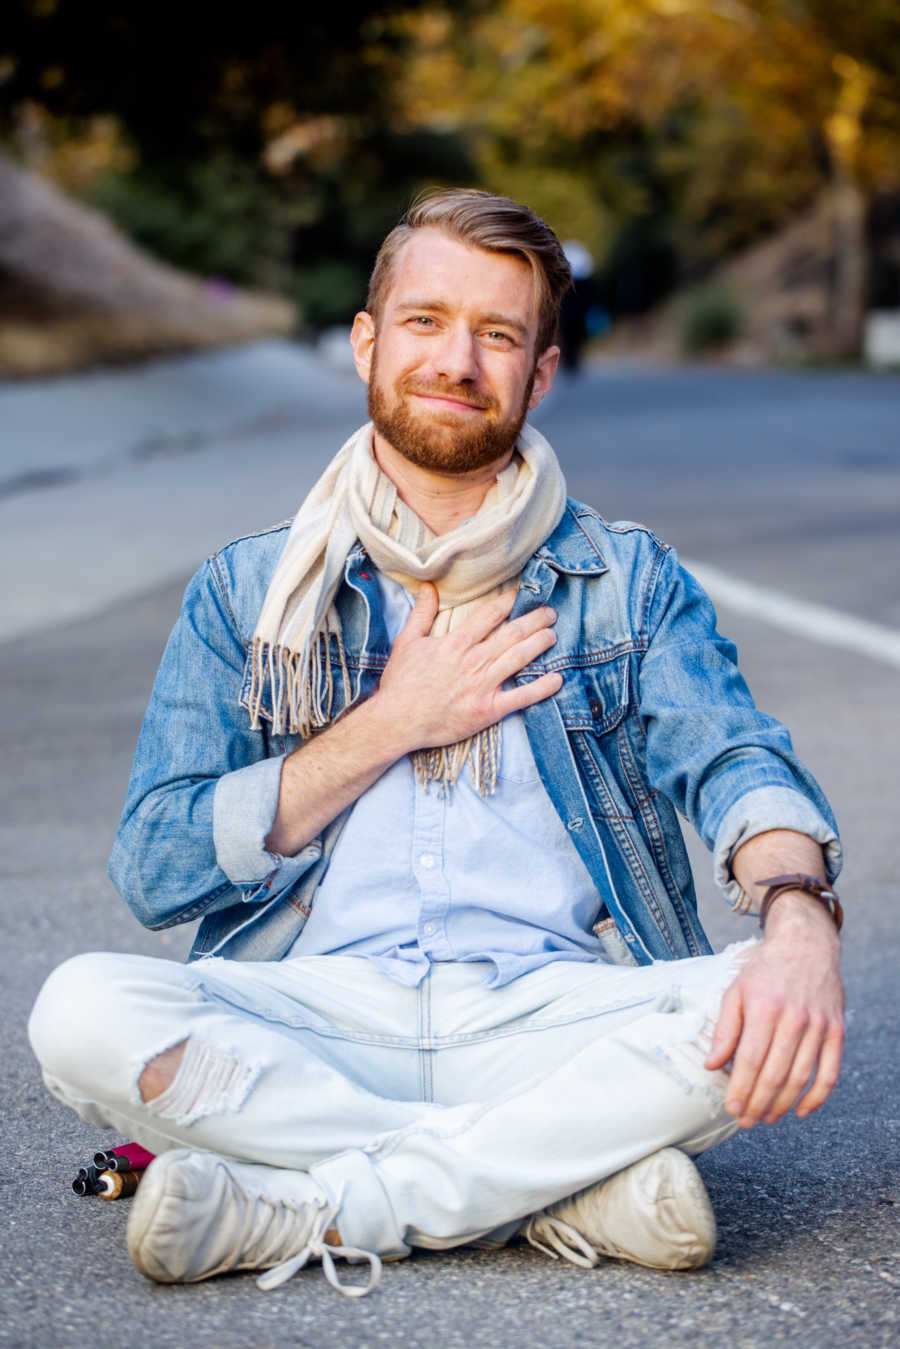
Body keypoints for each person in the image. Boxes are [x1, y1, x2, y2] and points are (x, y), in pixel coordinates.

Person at [28, 189, 845, 1298]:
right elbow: (154, 868)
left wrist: (798, 920)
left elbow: (735, 756)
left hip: (545, 1006)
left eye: (497, 334)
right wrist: (392, 723)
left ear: (539, 372)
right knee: (78, 1008)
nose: (457, 359)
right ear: (366, 342)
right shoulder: (247, 591)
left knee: (762, 995)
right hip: (318, 1011)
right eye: (425, 321)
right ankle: (550, 1180)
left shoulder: (628, 582)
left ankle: (313, 1200)